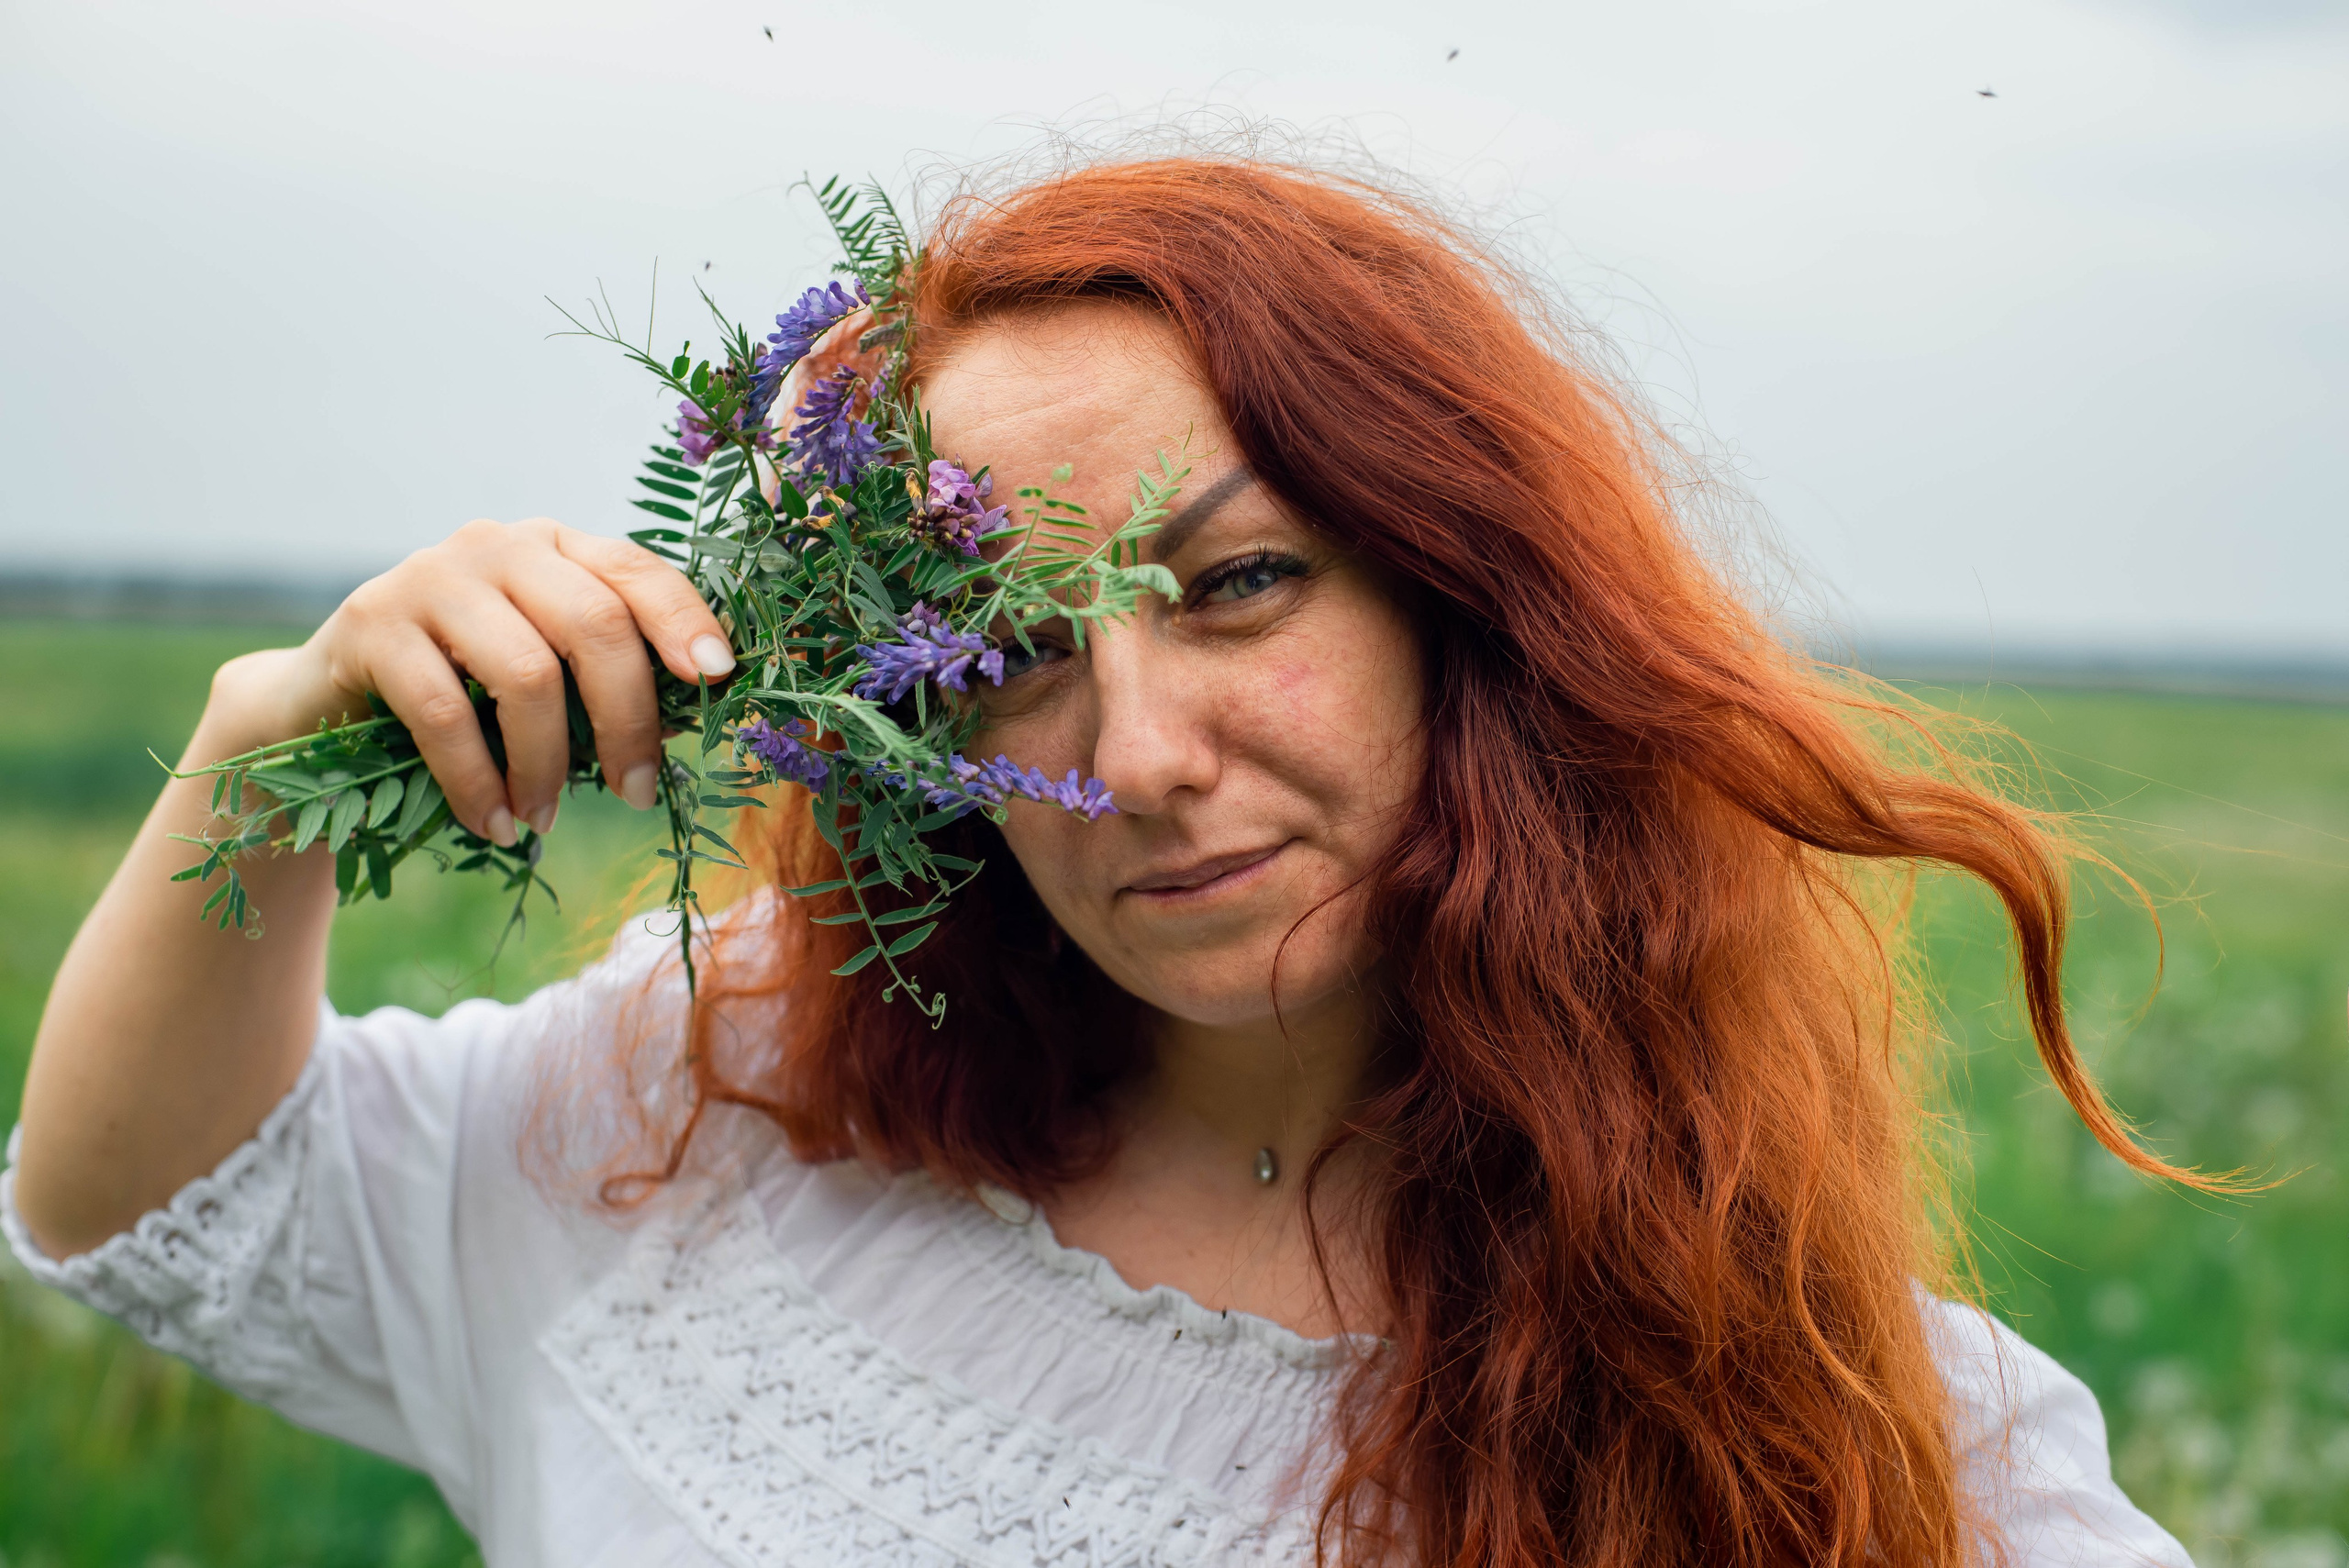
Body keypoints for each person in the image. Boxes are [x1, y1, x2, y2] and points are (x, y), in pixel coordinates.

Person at [4, 156, 2192, 1568]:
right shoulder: (710, 1124)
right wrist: (262, 753)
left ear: (1468, 604)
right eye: (1005, 651)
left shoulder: (1866, 1454)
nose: (1132, 758)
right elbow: (149, 1203)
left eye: (1234, 585)